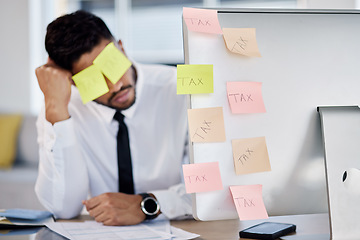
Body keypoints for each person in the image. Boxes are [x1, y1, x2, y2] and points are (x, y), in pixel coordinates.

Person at [34, 10, 191, 226]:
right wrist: (56, 111)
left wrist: (148, 204)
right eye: (94, 80)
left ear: (122, 47)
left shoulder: (179, 89)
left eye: (113, 64)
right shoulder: (61, 105)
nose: (116, 85)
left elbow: (212, 190)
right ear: (73, 82)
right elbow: (64, 208)